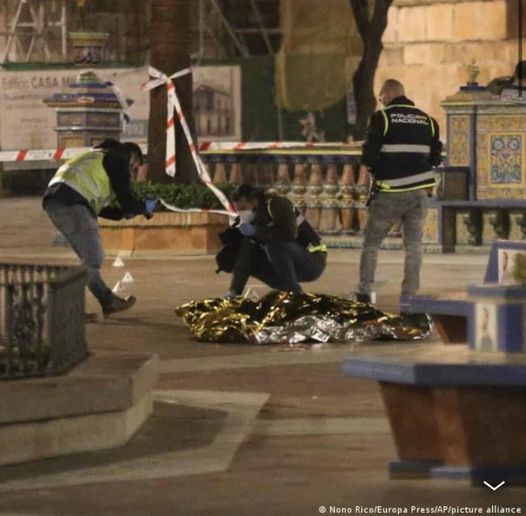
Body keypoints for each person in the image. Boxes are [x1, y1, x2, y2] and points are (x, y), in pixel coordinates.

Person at [43, 139, 157, 315]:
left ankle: (99, 303)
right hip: (72, 202)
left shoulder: (95, 157)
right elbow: (127, 201)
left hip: (58, 201)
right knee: (93, 258)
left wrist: (125, 212)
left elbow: (102, 208)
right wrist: (143, 207)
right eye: (134, 168)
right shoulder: (117, 158)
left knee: (88, 260)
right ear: (132, 158)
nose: (132, 174)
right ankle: (60, 304)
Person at [355, 79, 442, 307]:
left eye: (381, 96)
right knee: (413, 246)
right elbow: (435, 157)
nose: (380, 101)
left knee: (372, 244)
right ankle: (409, 295)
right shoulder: (428, 121)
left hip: (389, 192)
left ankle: (364, 293)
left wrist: (377, 171)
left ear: (388, 94)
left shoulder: (382, 118)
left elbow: (369, 155)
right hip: (419, 194)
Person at [223, 184, 327, 297]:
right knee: (245, 255)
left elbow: (288, 234)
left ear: (254, 201)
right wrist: (234, 290)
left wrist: (256, 231)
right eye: (238, 210)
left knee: (274, 244)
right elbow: (245, 255)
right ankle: (284, 289)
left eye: (243, 208)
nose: (241, 213)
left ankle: (294, 293)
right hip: (289, 263)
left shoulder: (278, 204)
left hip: (312, 260)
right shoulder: (253, 220)